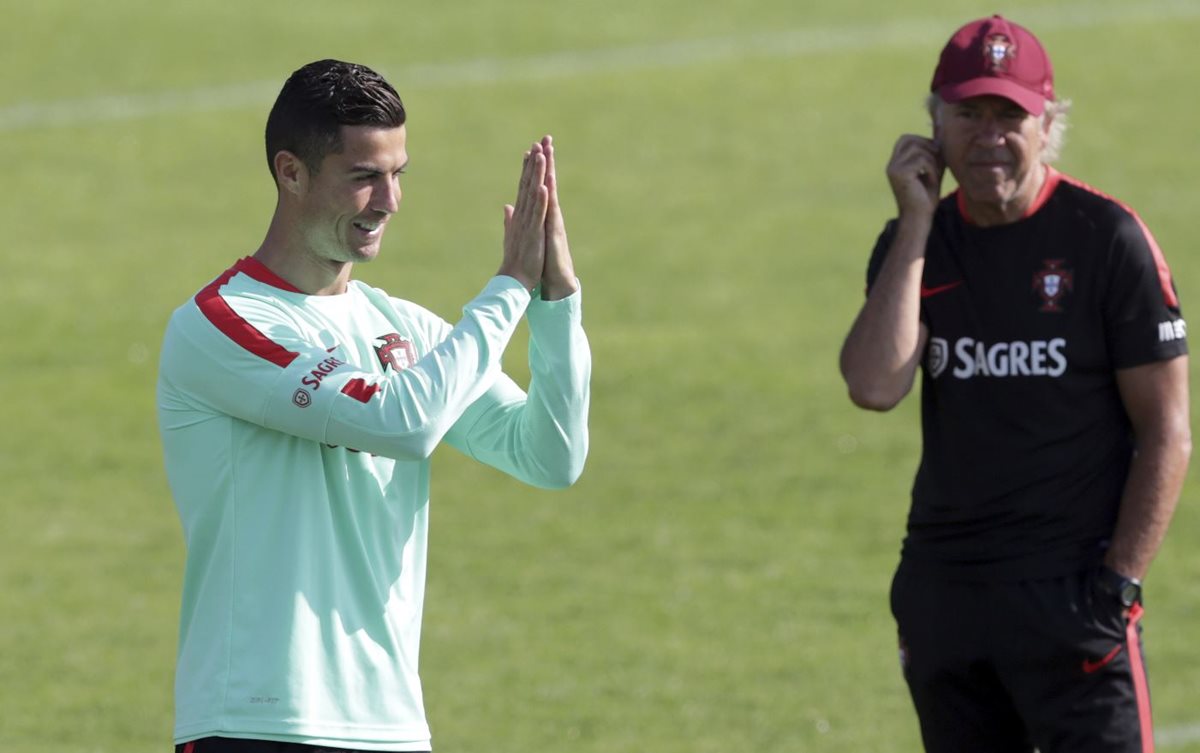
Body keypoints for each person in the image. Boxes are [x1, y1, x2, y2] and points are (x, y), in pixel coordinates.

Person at [156, 59, 590, 753]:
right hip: (258, 720)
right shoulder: (223, 323)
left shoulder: (406, 328)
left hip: (389, 726)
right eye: (363, 177)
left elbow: (550, 454)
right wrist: (509, 284)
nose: (388, 200)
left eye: (398, 174)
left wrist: (553, 302)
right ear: (291, 172)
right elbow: (405, 422)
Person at [839, 15, 1190, 753]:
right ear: (934, 124)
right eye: (968, 114)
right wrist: (913, 228)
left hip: (1073, 601)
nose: (989, 135)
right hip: (948, 599)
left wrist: (1118, 585)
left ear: (1048, 123)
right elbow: (874, 384)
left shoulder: (1107, 241)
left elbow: (1168, 431)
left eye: (1010, 115)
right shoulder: (916, 244)